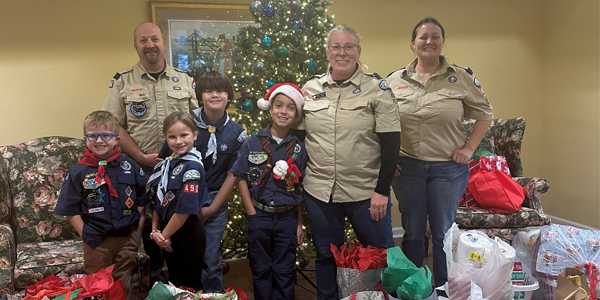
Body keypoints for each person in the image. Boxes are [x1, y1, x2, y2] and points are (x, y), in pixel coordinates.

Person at [386, 17, 493, 287]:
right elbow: (379, 122)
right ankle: (412, 286)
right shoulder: (394, 80)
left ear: (443, 42)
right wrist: (387, 159)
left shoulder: (461, 77)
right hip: (407, 168)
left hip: (448, 169)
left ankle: (444, 288)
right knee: (412, 232)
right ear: (413, 43)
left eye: (435, 36)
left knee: (443, 234)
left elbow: (485, 114)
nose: (429, 41)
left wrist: (469, 148)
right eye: (423, 37)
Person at [300, 24, 401, 300]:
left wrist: (382, 190)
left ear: (358, 51)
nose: (341, 52)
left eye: (348, 47)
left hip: (366, 191)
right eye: (336, 46)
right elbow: (298, 138)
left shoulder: (376, 89)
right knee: (325, 256)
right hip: (320, 190)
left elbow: (391, 141)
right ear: (327, 51)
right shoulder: (310, 89)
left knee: (378, 255)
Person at [102, 21, 198, 284]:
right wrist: (141, 157)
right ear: (136, 47)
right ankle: (156, 285)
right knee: (147, 233)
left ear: (164, 43)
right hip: (141, 169)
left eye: (154, 39)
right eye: (143, 40)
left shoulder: (185, 79)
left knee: (181, 229)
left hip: (180, 169)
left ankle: (181, 287)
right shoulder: (122, 81)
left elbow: (195, 122)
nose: (150, 45)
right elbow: (113, 126)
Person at [158, 70, 246, 292]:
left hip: (213, 201)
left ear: (229, 96)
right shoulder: (186, 124)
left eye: (220, 90)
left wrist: (212, 208)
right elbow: (166, 163)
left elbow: (232, 174)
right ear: (199, 96)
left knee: (209, 258)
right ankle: (184, 294)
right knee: (181, 255)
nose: (214, 95)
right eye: (208, 91)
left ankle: (212, 295)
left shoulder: (236, 133)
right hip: (181, 200)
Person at [54, 110, 148, 300]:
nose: (100, 141)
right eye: (93, 136)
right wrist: (86, 234)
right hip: (96, 239)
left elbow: (142, 199)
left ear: (117, 139)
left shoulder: (129, 166)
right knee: (98, 284)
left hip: (127, 237)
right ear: (85, 139)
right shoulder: (78, 171)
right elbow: (70, 210)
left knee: (123, 280)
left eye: (106, 135)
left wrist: (137, 231)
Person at [230, 83, 307, 300]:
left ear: (297, 113)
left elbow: (299, 187)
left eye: (290, 108)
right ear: (270, 108)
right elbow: (241, 179)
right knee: (261, 268)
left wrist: (299, 223)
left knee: (285, 269)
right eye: (279, 106)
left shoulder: (299, 147)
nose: (284, 111)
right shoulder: (252, 142)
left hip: (287, 218)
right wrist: (251, 214)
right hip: (260, 216)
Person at [147, 112, 207, 291]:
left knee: (190, 286)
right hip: (167, 232)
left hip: (187, 233)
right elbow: (159, 200)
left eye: (184, 135)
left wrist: (163, 237)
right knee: (174, 283)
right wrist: (155, 231)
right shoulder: (167, 164)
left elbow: (184, 210)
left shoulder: (192, 168)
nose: (178, 141)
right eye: (172, 137)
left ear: (195, 135)